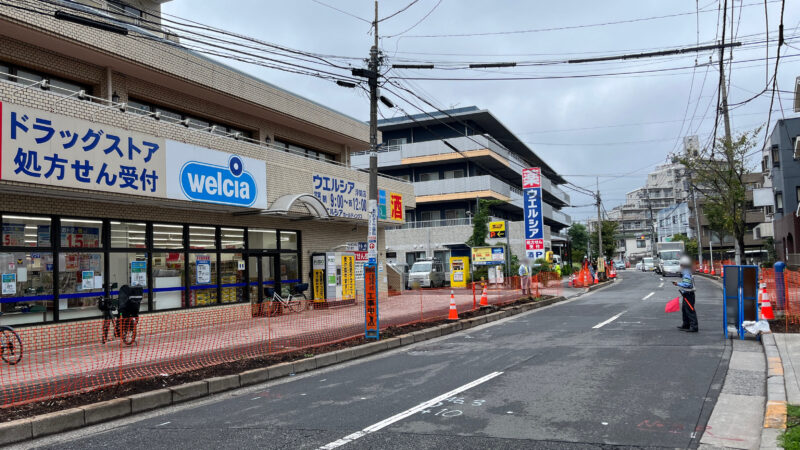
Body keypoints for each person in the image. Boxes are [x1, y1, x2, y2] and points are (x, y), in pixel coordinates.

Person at [673, 255, 698, 332]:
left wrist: (678, 284)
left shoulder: (686, 272)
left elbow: (687, 284)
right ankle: (686, 325)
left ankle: (694, 327)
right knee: (685, 310)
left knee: (690, 310)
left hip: (689, 294)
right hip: (687, 294)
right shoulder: (686, 272)